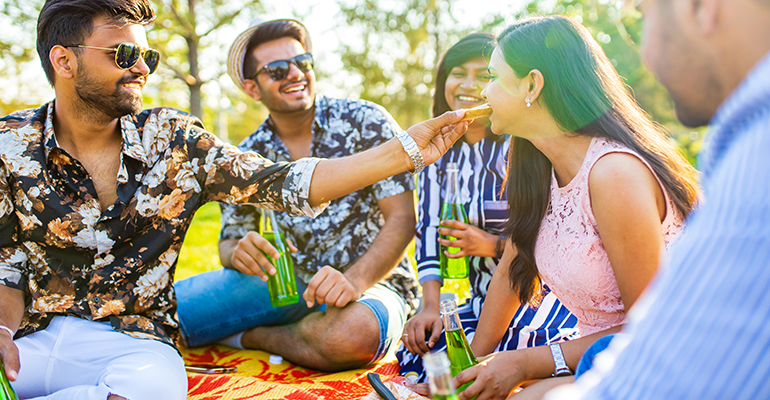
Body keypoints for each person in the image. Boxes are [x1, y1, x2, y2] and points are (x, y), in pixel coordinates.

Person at [0, 0, 470, 398]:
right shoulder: (9, 145)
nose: (141, 67)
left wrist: (402, 151)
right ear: (64, 61)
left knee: (348, 335)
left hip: (144, 339)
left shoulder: (176, 141)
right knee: (177, 316)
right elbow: (7, 263)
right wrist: (3, 332)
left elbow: (285, 183)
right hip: (36, 334)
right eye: (124, 54)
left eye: (149, 56)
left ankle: (246, 336)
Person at [451, 15, 700, 400]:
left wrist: (522, 364)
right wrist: (468, 374)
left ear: (533, 84)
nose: (485, 92)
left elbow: (651, 328)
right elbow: (510, 271)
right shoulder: (538, 169)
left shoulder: (614, 174)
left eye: (494, 78)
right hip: (597, 356)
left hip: (672, 358)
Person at [542, 0, 770, 398]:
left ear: (701, 8)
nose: (644, 55)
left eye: (640, 17)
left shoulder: (757, 154)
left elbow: (665, 381)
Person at [174, 17, 419, 372]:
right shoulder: (245, 154)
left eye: (302, 63)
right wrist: (238, 252)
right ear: (252, 88)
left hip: (374, 281)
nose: (295, 74)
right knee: (166, 310)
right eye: (276, 69)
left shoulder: (366, 120)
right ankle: (304, 335)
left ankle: (255, 336)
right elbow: (229, 241)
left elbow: (402, 218)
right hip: (284, 283)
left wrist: (354, 281)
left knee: (354, 336)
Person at [396, 33, 577, 383]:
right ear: (442, 82)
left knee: (522, 341)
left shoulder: (523, 145)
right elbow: (429, 231)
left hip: (535, 291)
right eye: (458, 73)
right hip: (477, 295)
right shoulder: (435, 150)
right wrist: (430, 306)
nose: (469, 86)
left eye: (484, 76)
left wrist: (491, 246)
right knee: (422, 346)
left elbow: (547, 234)